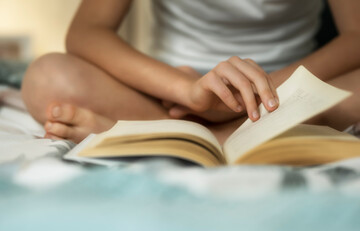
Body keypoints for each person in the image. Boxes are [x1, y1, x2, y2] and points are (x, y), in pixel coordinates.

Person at [21, 0, 360, 144]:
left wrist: (260, 91)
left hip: (285, 92)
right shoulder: (180, 88)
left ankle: (190, 137)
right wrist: (186, 90)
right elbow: (86, 31)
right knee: (48, 76)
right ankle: (229, 135)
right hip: (170, 88)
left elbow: (356, 35)